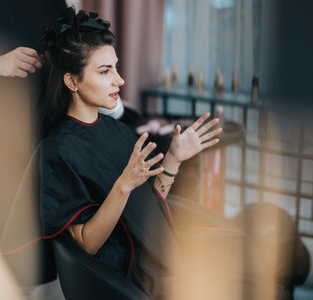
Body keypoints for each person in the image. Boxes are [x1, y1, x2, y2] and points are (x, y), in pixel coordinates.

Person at [38, 8, 293, 299]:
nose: (119, 81)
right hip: (129, 281)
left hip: (160, 262)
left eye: (116, 68)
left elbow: (148, 204)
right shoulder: (58, 151)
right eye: (105, 71)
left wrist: (174, 158)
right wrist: (123, 185)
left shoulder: (114, 129)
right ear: (72, 81)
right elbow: (84, 247)